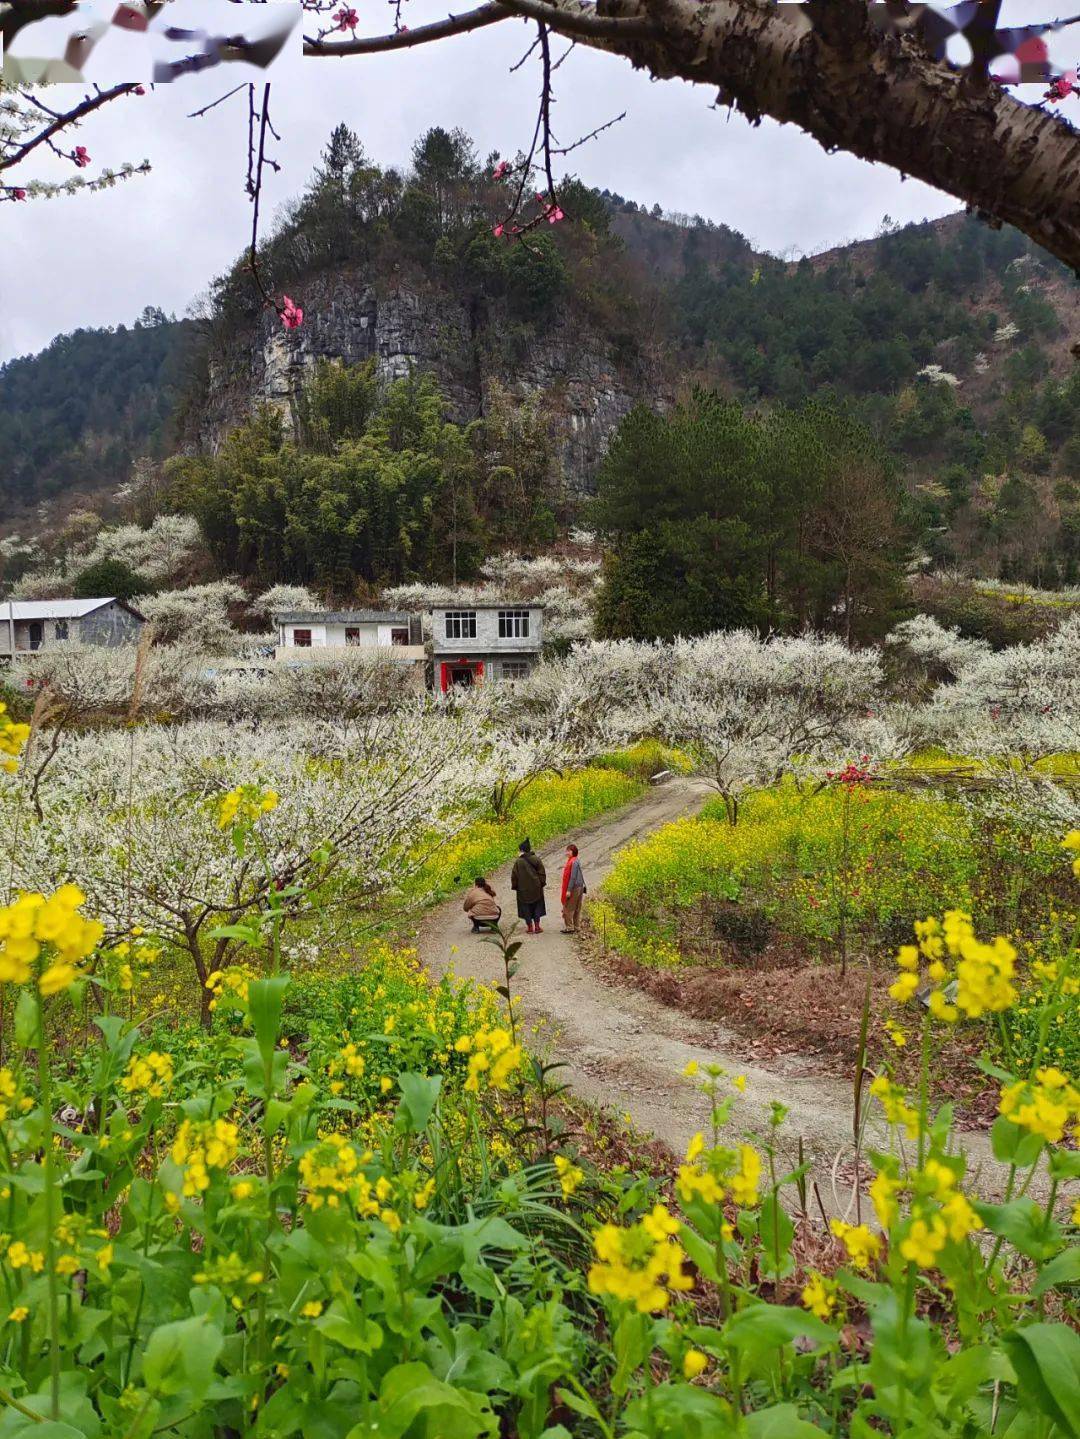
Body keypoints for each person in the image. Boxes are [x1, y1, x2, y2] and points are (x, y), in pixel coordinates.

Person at [510, 837, 547, 934]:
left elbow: (514, 876)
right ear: (529, 849)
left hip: (523, 890)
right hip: (536, 888)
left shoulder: (518, 862)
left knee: (525, 907)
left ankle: (530, 927)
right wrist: (541, 884)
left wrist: (515, 887)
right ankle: (537, 927)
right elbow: (542, 874)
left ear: (521, 850)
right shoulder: (537, 859)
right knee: (537, 906)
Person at [560, 843, 586, 933]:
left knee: (569, 907)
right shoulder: (576, 860)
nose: (566, 852)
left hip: (574, 888)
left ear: (573, 852)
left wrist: (569, 890)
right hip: (580, 886)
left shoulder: (572, 862)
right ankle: (577, 926)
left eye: (568, 851)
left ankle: (569, 927)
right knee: (577, 908)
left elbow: (573, 877)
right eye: (566, 850)